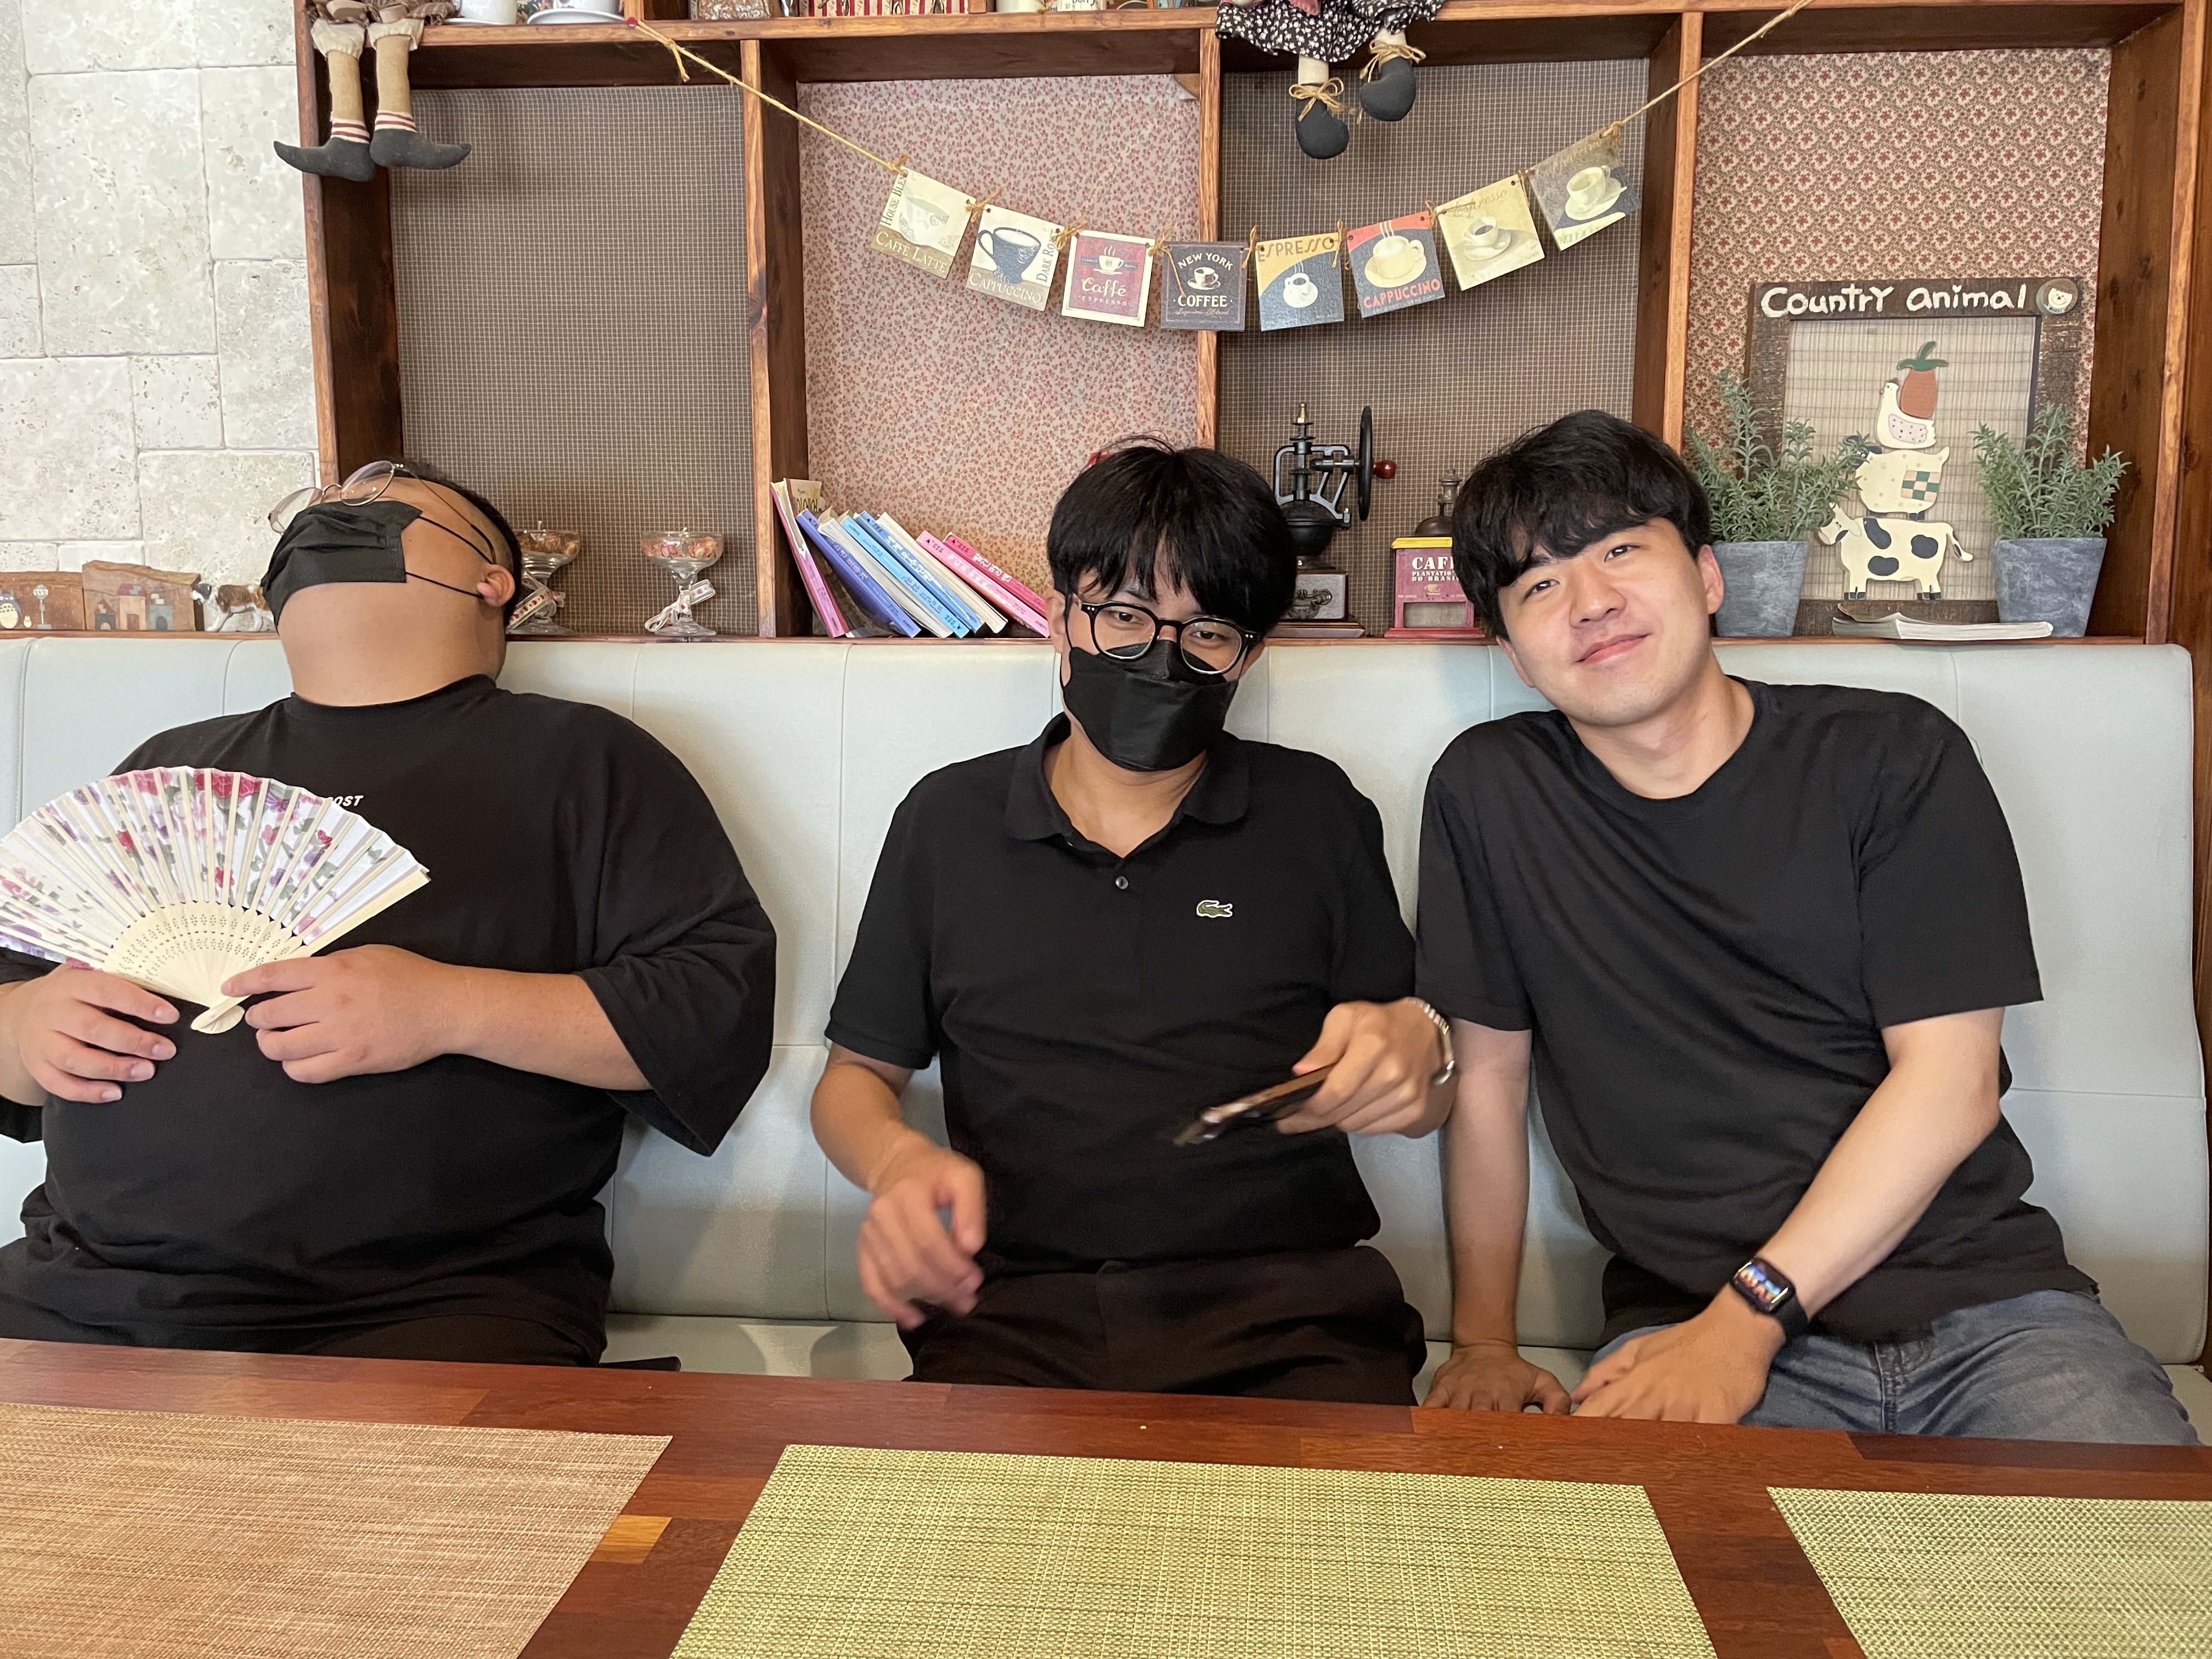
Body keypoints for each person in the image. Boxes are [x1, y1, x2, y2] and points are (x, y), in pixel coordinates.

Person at [1417, 410, 2197, 1443]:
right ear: (1514, 651)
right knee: (1630, 1551)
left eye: (1620, 552)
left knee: (2137, 1542)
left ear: (1707, 576)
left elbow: (1951, 1084)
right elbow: (1488, 1078)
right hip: (1682, 1320)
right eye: (1539, 586)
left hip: (1985, 1307)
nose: (1592, 602)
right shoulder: (1491, 793)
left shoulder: (1891, 756)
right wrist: (1482, 1342)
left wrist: (1749, 1321)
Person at [0, 460, 776, 1366]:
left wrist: (446, 1007)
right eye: (318, 510)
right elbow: (13, 1034)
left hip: (431, 1310)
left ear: (495, 582)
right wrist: (24, 1026)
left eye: (384, 503)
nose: (337, 509)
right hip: (76, 1291)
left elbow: (711, 1018)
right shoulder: (171, 767)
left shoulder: (588, 759)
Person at [812, 441, 1452, 1403]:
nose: (1161, 655)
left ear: (1250, 656)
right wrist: (899, 1164)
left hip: (1294, 1316)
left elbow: (1423, 1087)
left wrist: (1421, 1051)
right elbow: (854, 1078)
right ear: (1059, 622)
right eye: (1123, 616)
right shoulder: (946, 822)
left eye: (1208, 633)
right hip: (1012, 1312)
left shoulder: (1318, 812)